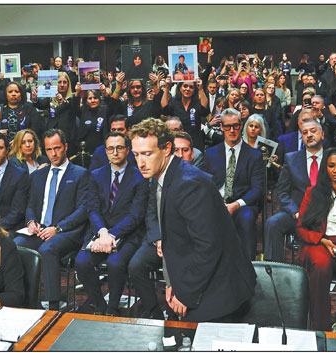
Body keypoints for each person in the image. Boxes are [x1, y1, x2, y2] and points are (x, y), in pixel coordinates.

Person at [127, 118, 256, 321]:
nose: (141, 163)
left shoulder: (189, 184)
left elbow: (208, 246)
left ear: (167, 148)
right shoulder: (165, 175)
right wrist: (172, 283)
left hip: (218, 292)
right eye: (136, 155)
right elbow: (178, 240)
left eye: (147, 154)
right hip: (198, 281)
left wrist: (185, 293)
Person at [14, 129, 89, 311]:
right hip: (40, 229)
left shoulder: (80, 174)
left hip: (67, 232)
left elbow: (83, 210)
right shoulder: (38, 175)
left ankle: (53, 304)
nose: (53, 154)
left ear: (65, 147)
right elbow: (31, 205)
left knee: (48, 249)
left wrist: (58, 228)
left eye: (57, 148)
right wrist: (31, 222)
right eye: (49, 150)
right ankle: (26, 300)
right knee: (15, 245)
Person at [75, 132, 148, 316]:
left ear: (127, 150)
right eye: (110, 149)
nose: (115, 152)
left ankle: (112, 309)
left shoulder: (139, 177)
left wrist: (113, 234)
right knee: (81, 262)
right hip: (101, 233)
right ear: (105, 151)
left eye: (119, 148)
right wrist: (103, 233)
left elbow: (136, 215)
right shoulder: (96, 175)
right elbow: (92, 208)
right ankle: (99, 305)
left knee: (116, 264)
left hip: (127, 234)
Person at [296, 148, 336, 333]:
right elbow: (300, 229)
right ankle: (320, 329)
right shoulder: (312, 193)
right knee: (321, 264)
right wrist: (321, 240)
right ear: (325, 168)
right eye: (331, 166)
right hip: (320, 241)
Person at [204, 108, 264, 261]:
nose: (232, 130)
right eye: (227, 126)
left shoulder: (254, 155)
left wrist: (236, 205)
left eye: (235, 126)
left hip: (242, 204)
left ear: (241, 125)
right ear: (222, 127)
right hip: (217, 203)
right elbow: (206, 184)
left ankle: (248, 265)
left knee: (246, 218)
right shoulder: (210, 154)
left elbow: (257, 189)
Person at [264, 119, 324, 262]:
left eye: (313, 131)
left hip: (325, 216)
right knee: (273, 223)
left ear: (322, 134)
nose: (309, 135)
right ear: (302, 138)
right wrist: (295, 212)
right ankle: (274, 272)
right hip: (297, 214)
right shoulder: (291, 159)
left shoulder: (332, 158)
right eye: (305, 132)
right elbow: (283, 192)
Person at [161, 79, 209, 151]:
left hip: (195, 142)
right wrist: (167, 88)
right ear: (180, 88)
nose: (187, 89)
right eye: (185, 86)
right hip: (177, 142)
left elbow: (204, 109)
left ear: (194, 90)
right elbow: (164, 108)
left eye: (191, 87)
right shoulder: (174, 101)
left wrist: (201, 89)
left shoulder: (197, 102)